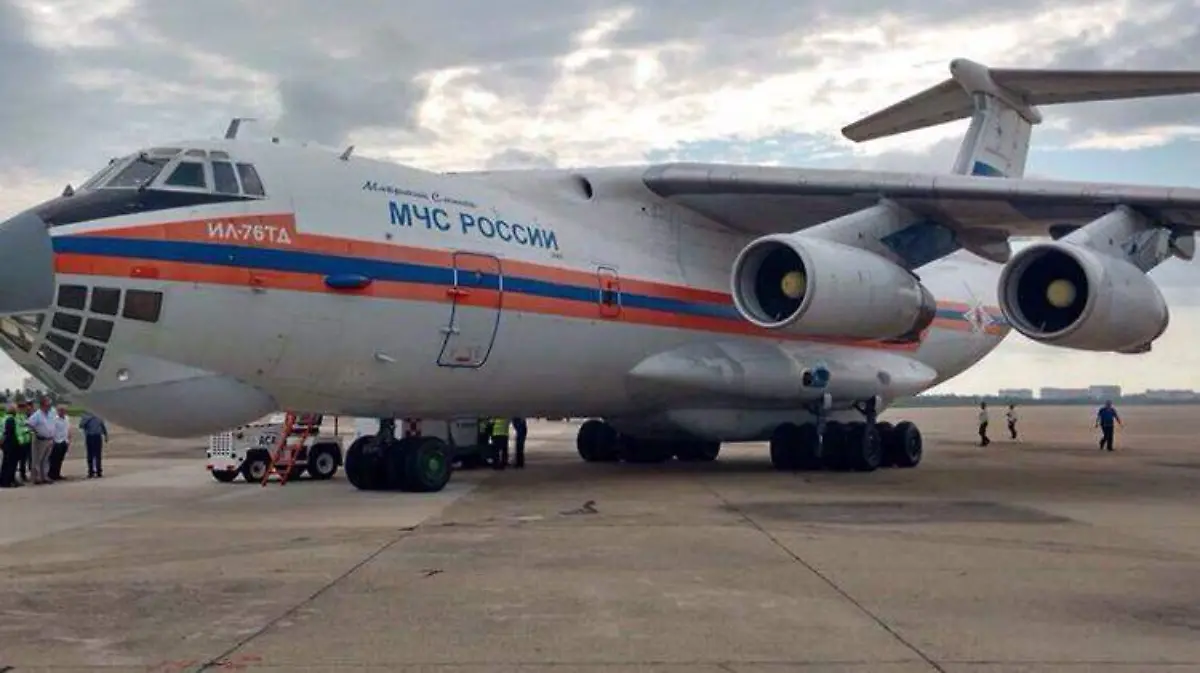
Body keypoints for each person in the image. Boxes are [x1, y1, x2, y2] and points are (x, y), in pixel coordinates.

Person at [26, 396, 57, 485]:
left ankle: (44, 476)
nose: (49, 406)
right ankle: (36, 477)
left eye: (50, 405)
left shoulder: (51, 413)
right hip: (40, 440)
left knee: (46, 459)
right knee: (37, 459)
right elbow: (29, 424)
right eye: (47, 405)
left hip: (49, 439)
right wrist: (35, 432)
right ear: (42, 405)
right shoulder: (37, 415)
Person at [79, 411, 108, 478]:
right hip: (90, 436)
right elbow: (81, 426)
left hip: (97, 436)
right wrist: (88, 419)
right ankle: (91, 471)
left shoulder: (99, 415)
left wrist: (105, 435)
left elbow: (102, 426)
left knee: (98, 455)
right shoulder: (85, 416)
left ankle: (99, 471)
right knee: (90, 455)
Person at [1, 402, 22, 488]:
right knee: (11, 463)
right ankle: (8, 481)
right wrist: (18, 442)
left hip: (6, 443)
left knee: (6, 462)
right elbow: (12, 433)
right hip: (11, 443)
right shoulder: (11, 419)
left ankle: (5, 480)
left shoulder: (5, 418)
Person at [48, 403, 71, 480]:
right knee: (54, 459)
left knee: (60, 459)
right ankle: (52, 474)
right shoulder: (55, 419)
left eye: (64, 410)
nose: (63, 412)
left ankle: (57, 473)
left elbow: (67, 429)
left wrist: (68, 440)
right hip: (57, 441)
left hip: (64, 441)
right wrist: (52, 440)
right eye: (61, 410)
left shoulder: (67, 418)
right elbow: (52, 430)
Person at [15, 401, 32, 483]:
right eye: (22, 408)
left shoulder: (24, 416)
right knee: (22, 459)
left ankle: (24, 474)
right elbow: (19, 428)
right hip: (21, 441)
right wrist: (27, 429)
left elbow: (28, 425)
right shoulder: (17, 417)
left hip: (27, 440)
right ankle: (22, 475)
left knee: (26, 459)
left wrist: (27, 427)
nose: (24, 409)